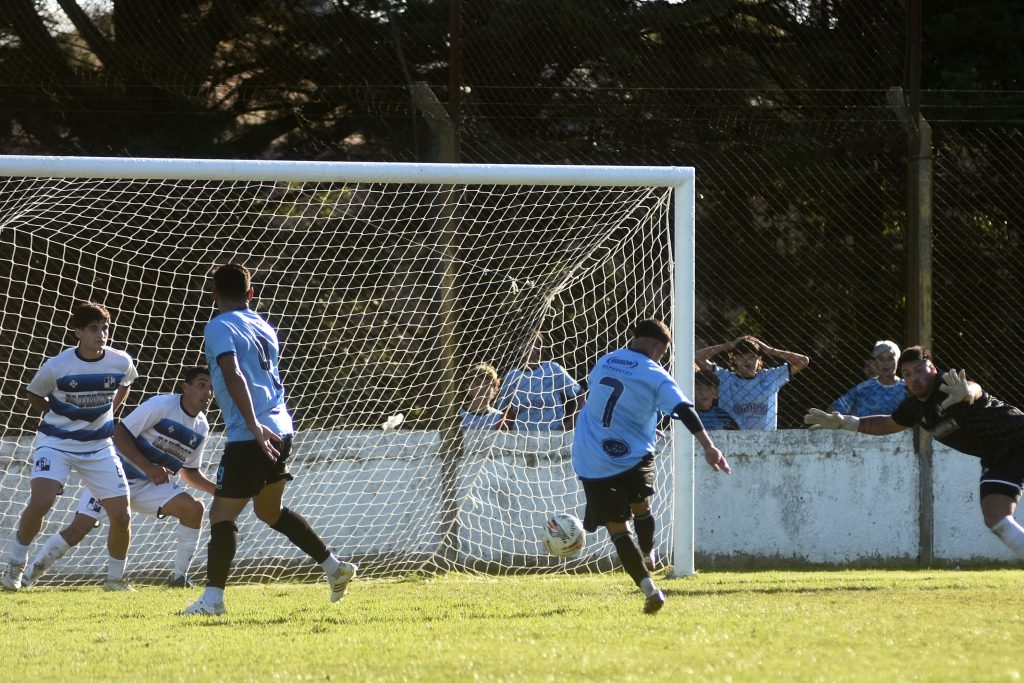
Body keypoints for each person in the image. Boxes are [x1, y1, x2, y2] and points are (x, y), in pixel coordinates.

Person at [182, 263, 356, 616]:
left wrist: (252, 424)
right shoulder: (264, 326)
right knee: (268, 510)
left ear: (214, 295)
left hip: (253, 433)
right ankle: (334, 568)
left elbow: (233, 375)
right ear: (250, 294)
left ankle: (213, 600)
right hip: (282, 426)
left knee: (220, 515)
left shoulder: (218, 326)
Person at [804, 346, 1024, 564]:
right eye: (907, 374)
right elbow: (888, 423)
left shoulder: (947, 386)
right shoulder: (914, 408)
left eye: (920, 370)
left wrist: (967, 392)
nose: (914, 378)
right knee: (995, 518)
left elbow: (974, 388)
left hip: (1019, 436)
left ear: (933, 368)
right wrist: (847, 423)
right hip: (999, 459)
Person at [572, 319, 731, 615]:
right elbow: (684, 409)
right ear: (660, 348)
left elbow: (600, 400)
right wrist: (709, 446)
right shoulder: (656, 375)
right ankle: (648, 553)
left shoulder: (605, 361)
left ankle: (649, 589)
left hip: (591, 455)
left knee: (618, 530)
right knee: (641, 507)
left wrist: (640, 423)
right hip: (633, 454)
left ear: (635, 339)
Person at [21, 366, 216, 589]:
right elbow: (119, 432)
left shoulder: (202, 427)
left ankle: (177, 578)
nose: (207, 393)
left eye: (211, 388)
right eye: (202, 385)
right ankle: (25, 577)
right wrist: (148, 466)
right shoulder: (161, 406)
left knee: (194, 509)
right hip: (112, 477)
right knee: (78, 529)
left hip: (147, 486)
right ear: (185, 387)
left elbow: (189, 471)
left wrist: (218, 490)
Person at [2, 302, 138, 592]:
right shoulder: (58, 366)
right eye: (93, 329)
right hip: (57, 443)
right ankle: (15, 566)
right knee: (41, 502)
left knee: (121, 515)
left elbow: (126, 383)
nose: (101, 334)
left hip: (99, 446)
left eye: (105, 328)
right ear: (78, 332)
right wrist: (61, 412)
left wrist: (110, 410)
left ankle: (114, 580)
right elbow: (33, 394)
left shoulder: (120, 361)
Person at [695, 335, 810, 430]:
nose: (747, 361)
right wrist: (728, 345)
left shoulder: (770, 377)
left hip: (765, 439)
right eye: (741, 357)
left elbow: (803, 361)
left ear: (759, 359)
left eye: (752, 357)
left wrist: (769, 350)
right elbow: (697, 358)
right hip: (733, 438)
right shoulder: (725, 378)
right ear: (734, 359)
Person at [496, 331, 583, 431]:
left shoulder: (553, 369)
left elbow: (581, 395)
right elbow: (502, 409)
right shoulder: (512, 375)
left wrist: (570, 424)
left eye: (532, 343)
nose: (528, 347)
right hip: (520, 434)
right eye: (524, 343)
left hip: (553, 433)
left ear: (540, 347)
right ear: (518, 347)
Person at [830, 340, 907, 417]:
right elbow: (834, 409)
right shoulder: (863, 388)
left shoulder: (906, 388)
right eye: (881, 359)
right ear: (876, 362)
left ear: (898, 361)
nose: (885, 363)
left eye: (890, 358)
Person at [460, 363, 507, 430]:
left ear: (495, 389)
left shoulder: (500, 418)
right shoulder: (459, 415)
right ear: (468, 388)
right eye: (478, 384)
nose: (483, 388)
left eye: (487, 384)